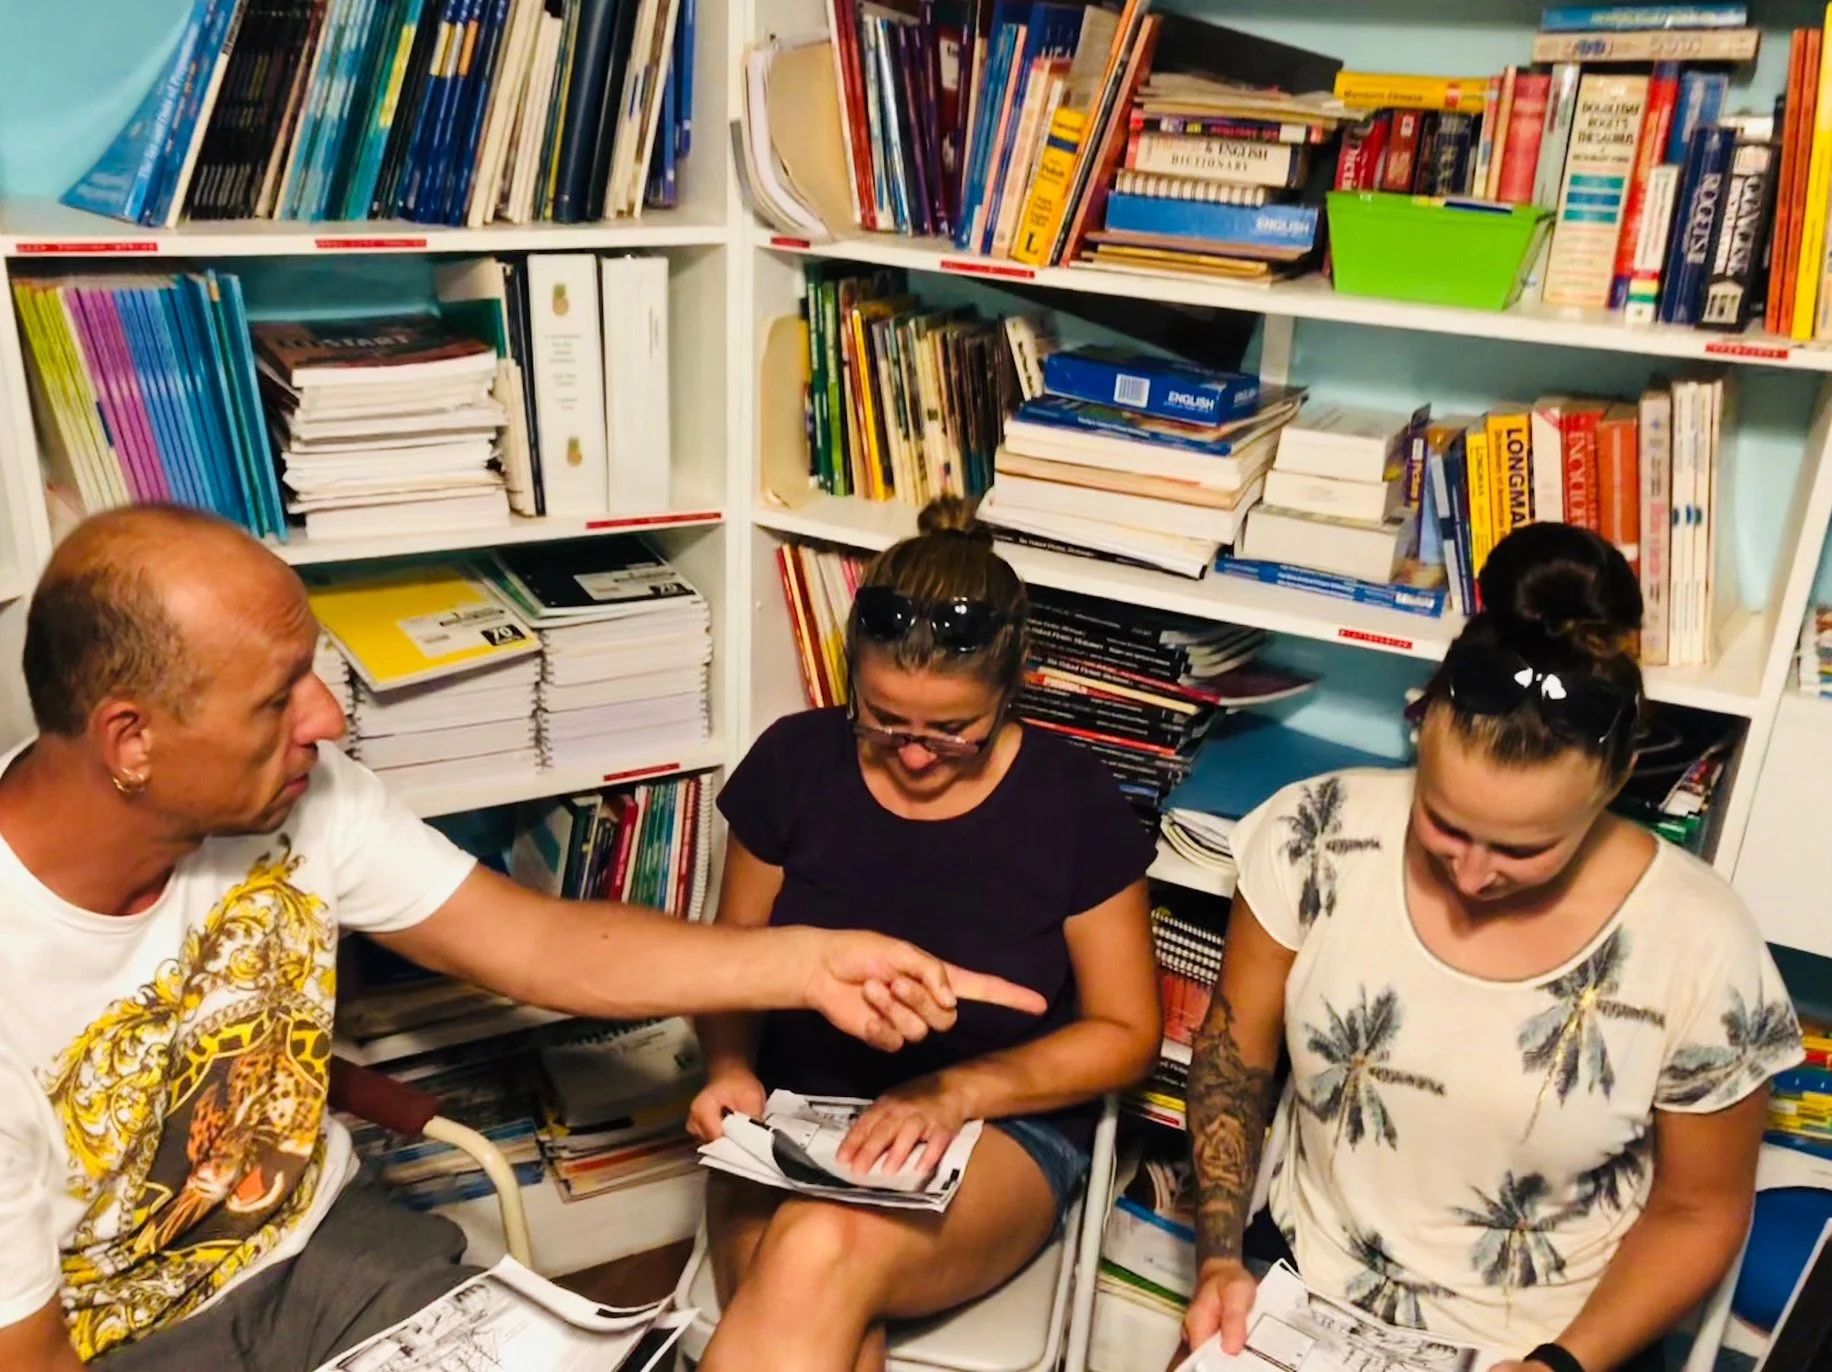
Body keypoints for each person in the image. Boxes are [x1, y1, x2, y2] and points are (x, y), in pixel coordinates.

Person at [0, 505, 1049, 1372]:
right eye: (278, 699)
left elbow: (546, 944)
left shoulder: (303, 798)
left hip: (327, 1248)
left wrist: (811, 959)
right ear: (130, 741)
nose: (328, 717)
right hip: (120, 1340)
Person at [1182, 522, 1803, 1372]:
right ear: (1421, 722)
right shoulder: (1317, 830)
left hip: (1553, 1340)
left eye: (1522, 851)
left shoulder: (1702, 945)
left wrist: (1562, 1363)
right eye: (1443, 826)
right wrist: (1219, 1258)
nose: (1472, 877)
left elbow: (1700, 1210)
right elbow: (1233, 1050)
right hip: (1306, 1290)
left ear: (1617, 779)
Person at [686, 498, 1163, 1372]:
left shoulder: (1073, 800)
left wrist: (953, 1094)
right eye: (883, 720)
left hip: (999, 1131)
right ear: (849, 679)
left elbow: (1129, 1036)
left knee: (811, 1256)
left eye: (952, 732)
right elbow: (729, 965)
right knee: (825, 1313)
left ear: (1009, 690)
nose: (913, 753)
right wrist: (729, 1068)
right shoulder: (793, 763)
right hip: (788, 1124)